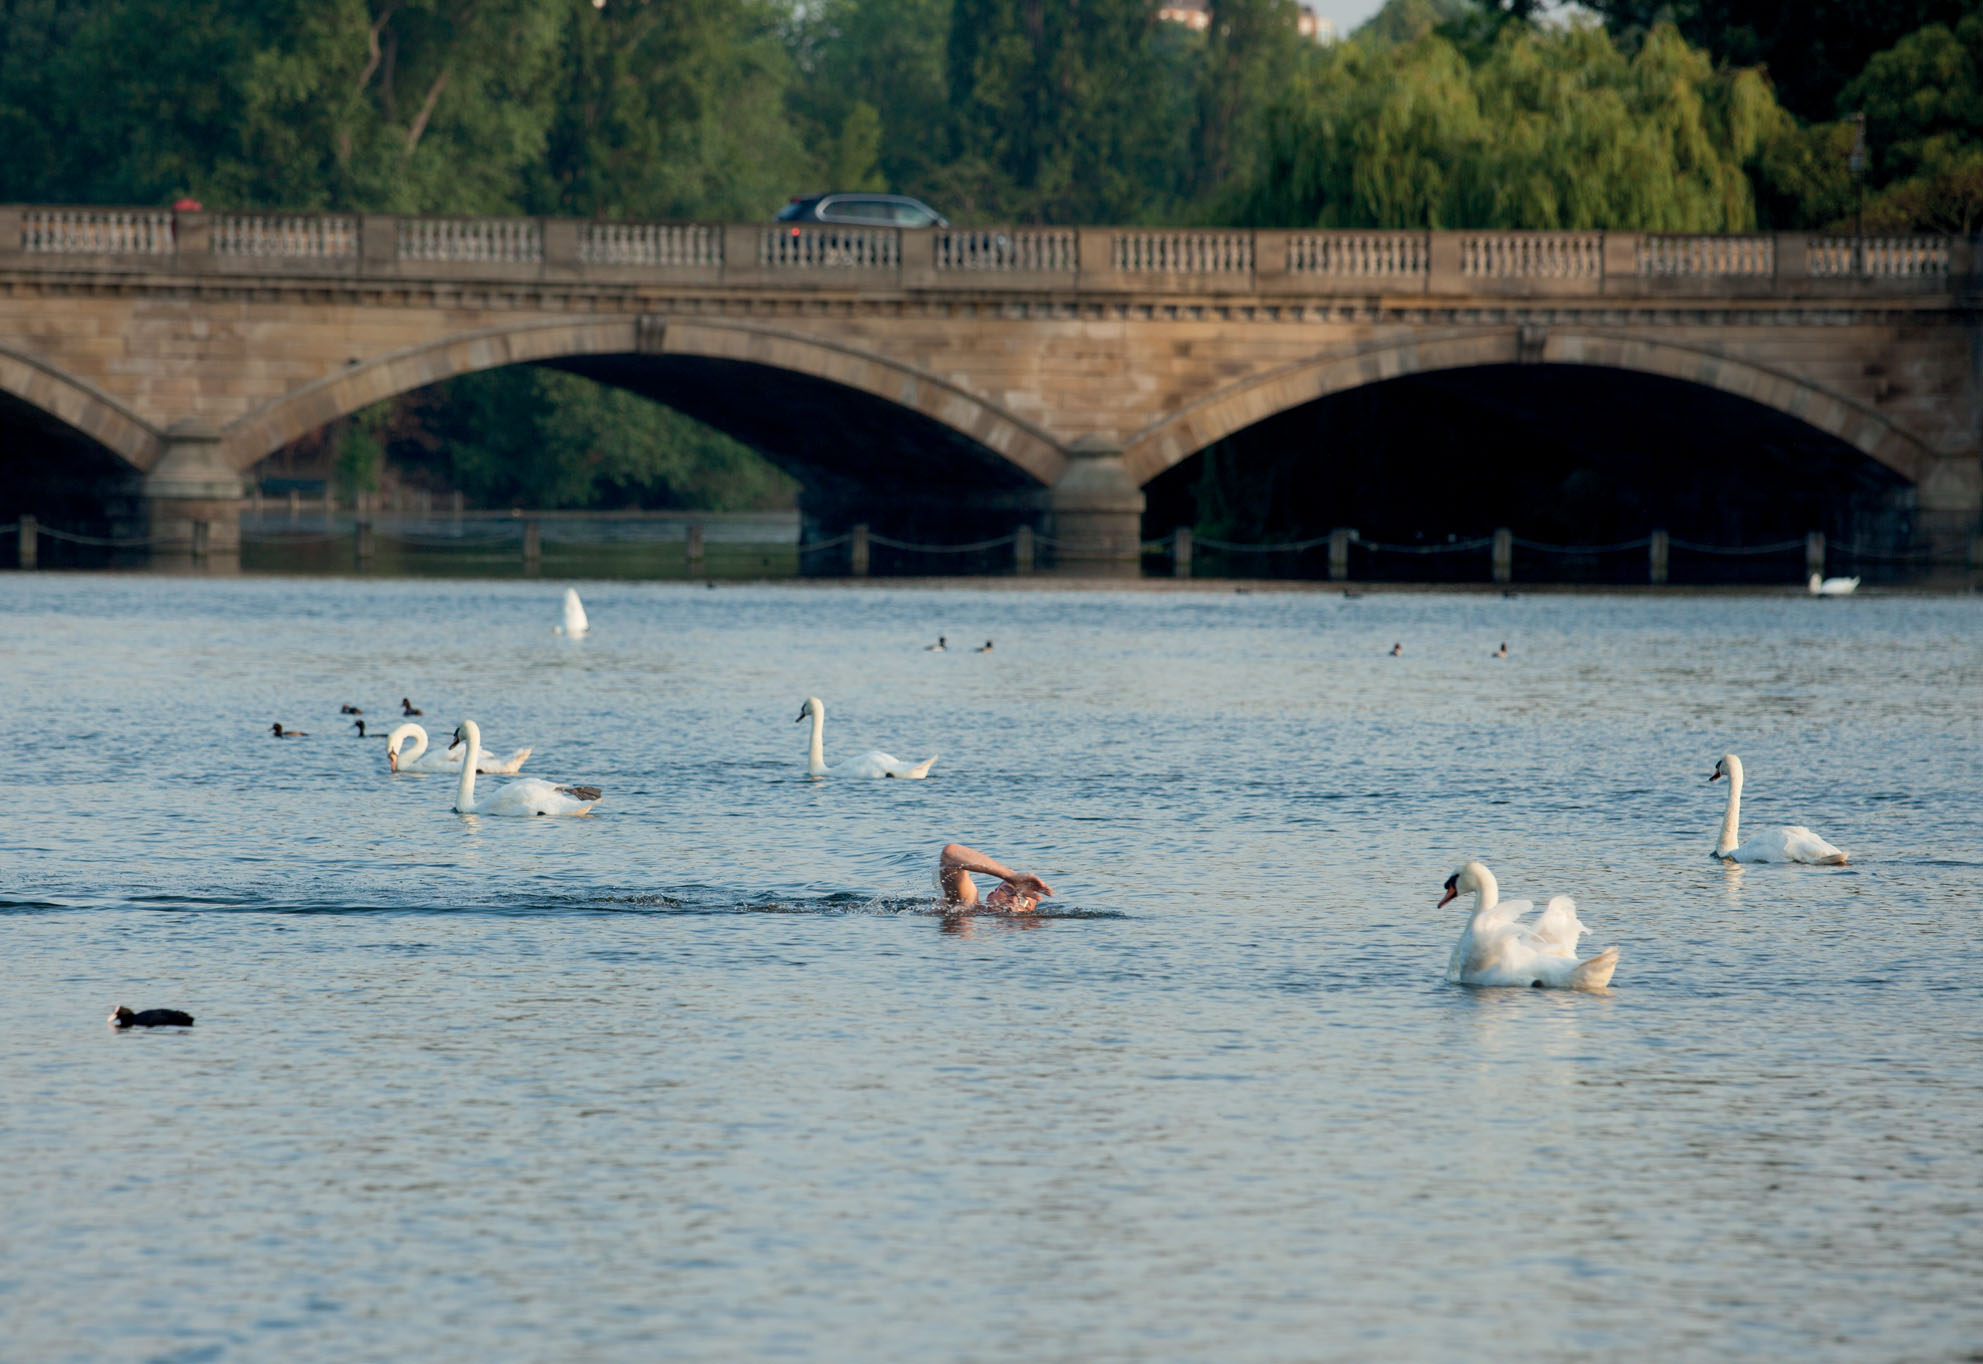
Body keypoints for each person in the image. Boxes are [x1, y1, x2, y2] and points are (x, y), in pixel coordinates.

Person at [938, 843, 1053, 913]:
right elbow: (950, 854)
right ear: (991, 896)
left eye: (1023, 901)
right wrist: (1011, 876)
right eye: (1009, 891)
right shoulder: (971, 907)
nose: (1013, 900)